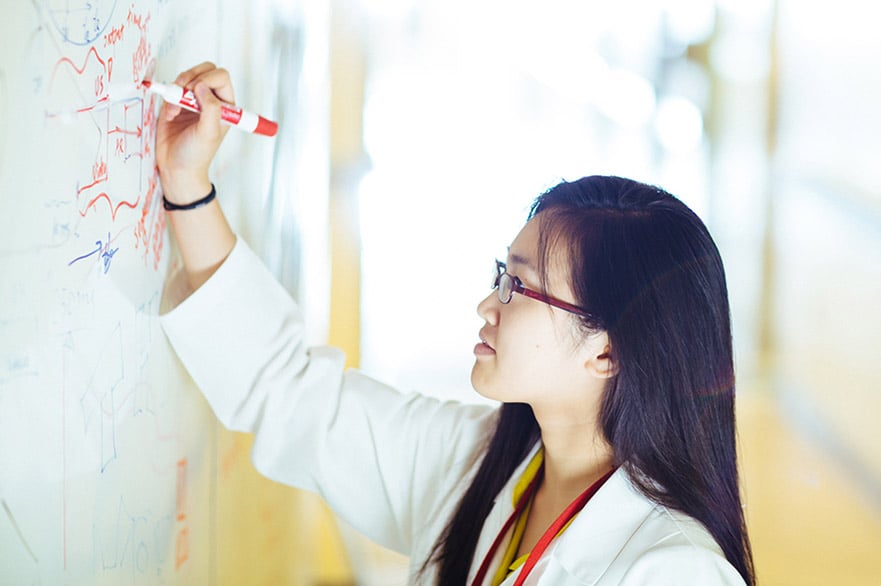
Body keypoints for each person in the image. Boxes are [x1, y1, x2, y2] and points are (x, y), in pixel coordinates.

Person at [157, 63, 756, 586]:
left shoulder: (676, 571)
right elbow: (288, 391)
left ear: (607, 353)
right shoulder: (475, 464)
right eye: (502, 275)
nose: (487, 306)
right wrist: (187, 185)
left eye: (519, 287)